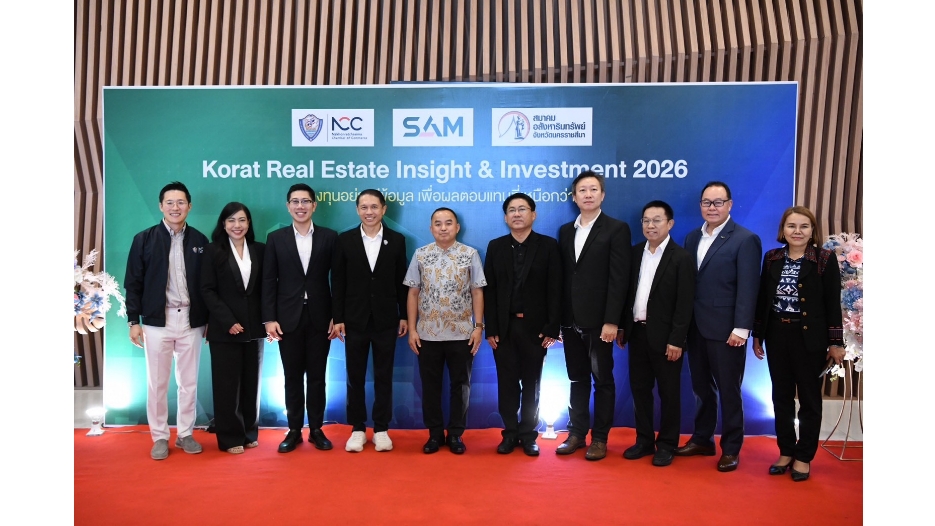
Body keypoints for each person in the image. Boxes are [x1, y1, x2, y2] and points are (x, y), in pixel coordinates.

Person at [752, 206, 844, 482]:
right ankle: (786, 451)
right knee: (780, 397)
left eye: (804, 226)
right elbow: (763, 298)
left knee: (809, 400)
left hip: (810, 339)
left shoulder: (824, 259)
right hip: (777, 335)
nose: (797, 231)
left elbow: (833, 303)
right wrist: (758, 334)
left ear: (812, 231)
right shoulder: (772, 257)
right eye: (791, 226)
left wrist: (835, 342)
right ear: (783, 230)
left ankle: (803, 456)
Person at [675, 181, 762, 472]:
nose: (711, 208)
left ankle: (732, 448)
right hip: (695, 328)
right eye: (706, 202)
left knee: (729, 391)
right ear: (700, 205)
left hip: (727, 331)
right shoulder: (691, 237)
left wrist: (742, 328)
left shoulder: (745, 239)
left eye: (718, 202)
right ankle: (702, 439)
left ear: (729, 204)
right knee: (701, 388)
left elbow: (748, 288)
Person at [124, 181, 209, 460]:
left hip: (191, 320)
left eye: (181, 202)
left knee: (189, 382)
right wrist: (133, 321)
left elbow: (207, 285)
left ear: (189, 206)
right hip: (156, 321)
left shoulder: (200, 241)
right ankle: (160, 437)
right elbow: (133, 283)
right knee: (157, 383)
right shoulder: (144, 239)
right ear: (161, 206)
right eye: (170, 202)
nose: (175, 207)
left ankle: (185, 434)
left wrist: (206, 318)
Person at [556, 171, 631, 461]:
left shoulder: (616, 229)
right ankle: (576, 433)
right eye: (582, 190)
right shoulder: (566, 231)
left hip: (600, 322)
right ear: (574, 197)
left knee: (603, 381)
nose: (588, 194)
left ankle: (599, 438)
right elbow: (565, 277)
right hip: (571, 321)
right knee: (577, 379)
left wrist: (612, 320)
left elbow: (619, 278)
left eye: (593, 189)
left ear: (602, 195)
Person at [483, 193, 562, 457]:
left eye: (522, 209)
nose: (517, 214)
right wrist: (491, 328)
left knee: (532, 384)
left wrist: (552, 327)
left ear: (533, 214)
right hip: (504, 329)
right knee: (506, 384)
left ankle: (528, 435)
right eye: (512, 210)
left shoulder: (548, 246)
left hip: (535, 329)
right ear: (506, 217)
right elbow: (490, 290)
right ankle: (509, 433)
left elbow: (555, 288)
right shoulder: (496, 246)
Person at [617, 200, 695, 467]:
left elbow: (685, 304)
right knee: (640, 390)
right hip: (637, 334)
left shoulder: (681, 257)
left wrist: (677, 340)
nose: (650, 225)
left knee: (669, 393)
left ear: (670, 223)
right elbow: (626, 293)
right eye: (646, 220)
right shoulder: (634, 253)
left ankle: (667, 444)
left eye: (657, 220)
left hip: (666, 339)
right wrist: (622, 327)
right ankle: (644, 440)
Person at [331, 189, 409, 453]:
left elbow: (401, 281)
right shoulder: (345, 240)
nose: (369, 212)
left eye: (374, 207)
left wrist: (403, 314)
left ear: (384, 209)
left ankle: (381, 429)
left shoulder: (397, 240)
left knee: (384, 376)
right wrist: (338, 317)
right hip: (355, 320)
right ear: (357, 210)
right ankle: (357, 428)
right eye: (364, 207)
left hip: (386, 320)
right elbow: (338, 281)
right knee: (354, 377)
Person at [262, 183, 338, 454]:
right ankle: (294, 429)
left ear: (314, 206)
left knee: (317, 377)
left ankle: (316, 429)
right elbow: (268, 280)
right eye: (295, 201)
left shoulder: (330, 237)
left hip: (321, 317)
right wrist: (269, 318)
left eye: (305, 201)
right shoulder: (276, 238)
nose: (300, 206)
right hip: (287, 318)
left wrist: (337, 316)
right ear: (288, 206)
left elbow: (339, 279)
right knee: (292, 377)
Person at [404, 207, 486, 455]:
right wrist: (412, 329)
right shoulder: (421, 255)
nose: (443, 228)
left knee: (461, 386)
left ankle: (456, 434)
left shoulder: (469, 254)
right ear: (431, 228)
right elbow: (413, 293)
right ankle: (435, 434)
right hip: (427, 334)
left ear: (457, 227)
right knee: (430, 386)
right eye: (438, 223)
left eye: (448, 223)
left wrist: (478, 327)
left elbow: (477, 292)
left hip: (462, 334)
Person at [200, 202, 265, 454]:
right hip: (224, 329)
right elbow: (207, 289)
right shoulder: (212, 251)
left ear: (249, 223)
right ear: (223, 224)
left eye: (242, 220)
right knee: (227, 386)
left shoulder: (260, 250)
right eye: (231, 220)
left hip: (254, 328)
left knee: (251, 384)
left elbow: (265, 289)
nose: (237, 225)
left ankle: (249, 432)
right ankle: (230, 438)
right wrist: (228, 321)